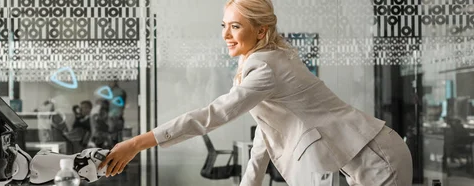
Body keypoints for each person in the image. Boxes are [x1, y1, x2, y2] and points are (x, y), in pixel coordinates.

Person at [99, 0, 413, 185]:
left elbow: (213, 115)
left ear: (260, 30)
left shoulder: (266, 68)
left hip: (377, 156)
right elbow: (265, 135)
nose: (225, 35)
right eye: (224, 25)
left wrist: (136, 144)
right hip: (362, 155)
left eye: (235, 26)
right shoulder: (265, 62)